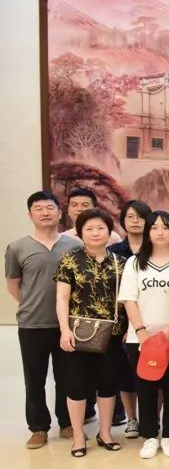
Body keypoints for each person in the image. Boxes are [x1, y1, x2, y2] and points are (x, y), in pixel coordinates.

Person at [5, 191, 81, 449]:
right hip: (32, 325)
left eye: (50, 207)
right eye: (38, 209)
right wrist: (31, 305)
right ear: (30, 215)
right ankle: (38, 428)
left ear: (60, 213)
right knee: (34, 379)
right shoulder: (17, 248)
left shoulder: (74, 246)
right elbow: (13, 285)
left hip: (66, 326)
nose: (45, 212)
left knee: (67, 377)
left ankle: (67, 423)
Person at [54, 208, 127, 457]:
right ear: (80, 233)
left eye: (100, 228)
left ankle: (105, 433)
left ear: (109, 232)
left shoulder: (121, 262)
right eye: (89, 229)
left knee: (108, 384)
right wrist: (64, 330)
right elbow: (62, 298)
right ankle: (78, 436)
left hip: (113, 334)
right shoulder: (70, 260)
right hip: (79, 333)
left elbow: (128, 299)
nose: (95, 233)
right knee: (76, 385)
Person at [118, 211, 169, 459]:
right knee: (145, 387)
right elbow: (129, 299)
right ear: (148, 232)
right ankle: (149, 436)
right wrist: (141, 331)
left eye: (165, 227)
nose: (160, 232)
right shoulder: (134, 262)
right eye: (155, 227)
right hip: (141, 339)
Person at [109, 199, 151, 438]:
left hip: (152, 319)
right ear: (123, 221)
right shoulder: (114, 252)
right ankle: (132, 418)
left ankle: (152, 418)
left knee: (154, 370)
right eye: (130, 217)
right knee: (125, 374)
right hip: (122, 321)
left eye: (140, 216)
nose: (135, 221)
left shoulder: (157, 249)